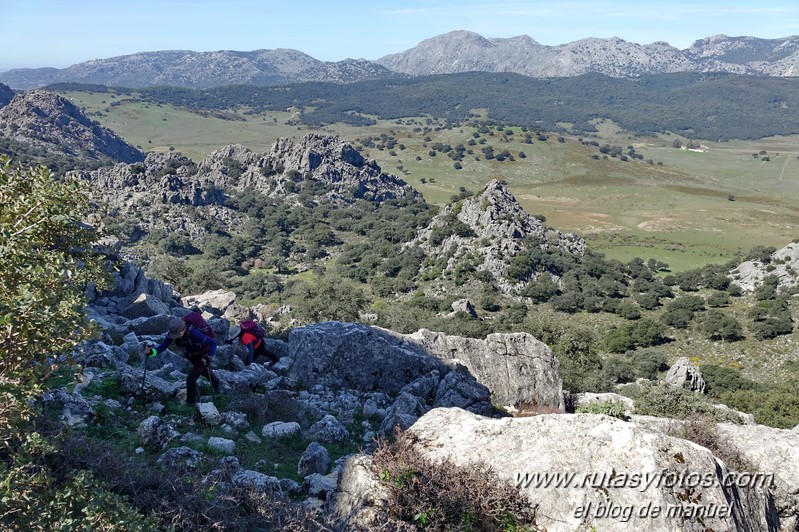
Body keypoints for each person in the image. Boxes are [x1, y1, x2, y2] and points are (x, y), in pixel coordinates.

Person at [149, 316, 221, 404]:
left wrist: (209, 356)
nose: (175, 337)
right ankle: (216, 384)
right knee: (203, 371)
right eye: (174, 335)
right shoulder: (172, 333)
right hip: (192, 356)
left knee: (190, 380)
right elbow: (163, 347)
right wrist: (151, 352)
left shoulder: (194, 333)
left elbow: (213, 343)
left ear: (183, 330)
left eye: (178, 334)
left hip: (203, 356)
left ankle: (191, 404)